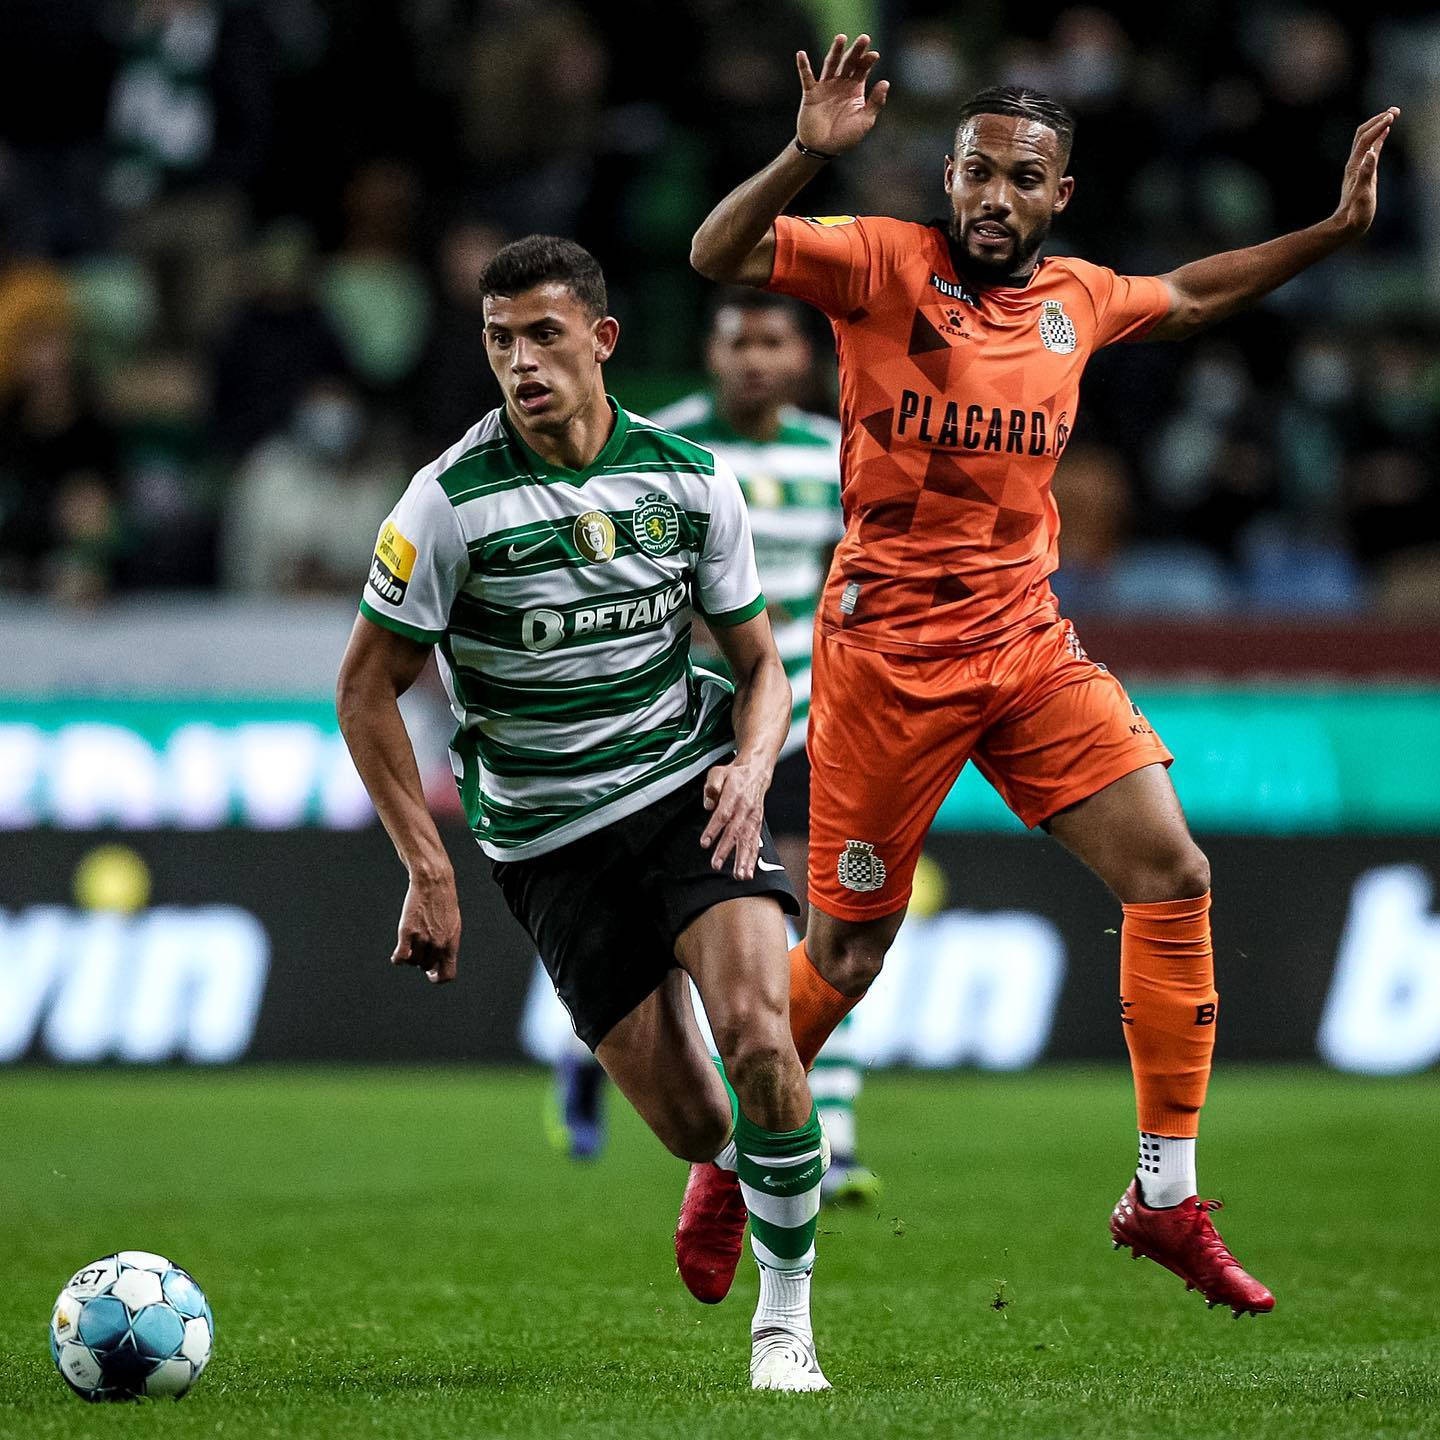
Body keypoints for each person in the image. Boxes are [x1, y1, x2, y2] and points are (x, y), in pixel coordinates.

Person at [676, 31, 1399, 1317]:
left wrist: (1333, 234)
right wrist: (803, 153)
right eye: (975, 172)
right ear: (947, 177)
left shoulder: (1077, 295)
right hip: (888, 663)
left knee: (1174, 872)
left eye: (1021, 177)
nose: (994, 197)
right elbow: (716, 257)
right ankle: (742, 1149)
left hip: (1026, 648)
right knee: (845, 955)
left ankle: (1164, 1197)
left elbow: (1196, 294)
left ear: (1060, 191)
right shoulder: (879, 261)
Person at [336, 235, 831, 1391]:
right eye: (500, 341)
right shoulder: (446, 504)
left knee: (762, 1034)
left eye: (543, 336)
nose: (521, 362)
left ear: (601, 341)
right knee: (695, 1124)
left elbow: (761, 666)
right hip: (547, 842)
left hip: (686, 790)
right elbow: (366, 685)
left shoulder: (691, 477)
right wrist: (430, 865)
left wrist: (754, 768)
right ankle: (730, 1163)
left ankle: (786, 1322)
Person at [551, 289, 878, 1202]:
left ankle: (835, 1131)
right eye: (738, 342)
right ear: (713, 352)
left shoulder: (832, 457)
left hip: (801, 729)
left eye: (772, 342)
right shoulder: (668, 448)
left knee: (815, 930)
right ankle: (590, 1053)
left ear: (801, 359)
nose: (754, 359)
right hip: (687, 734)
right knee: (672, 939)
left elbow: (847, 584)